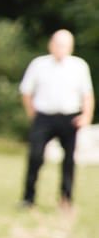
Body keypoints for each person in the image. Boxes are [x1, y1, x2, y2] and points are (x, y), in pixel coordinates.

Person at [20, 29, 93, 209]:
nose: (61, 48)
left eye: (65, 45)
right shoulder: (39, 64)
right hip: (44, 117)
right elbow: (26, 91)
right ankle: (28, 198)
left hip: (69, 118)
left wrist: (86, 116)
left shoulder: (79, 66)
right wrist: (33, 114)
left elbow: (87, 94)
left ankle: (65, 199)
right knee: (35, 156)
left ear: (71, 47)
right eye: (58, 44)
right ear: (51, 45)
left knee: (69, 161)